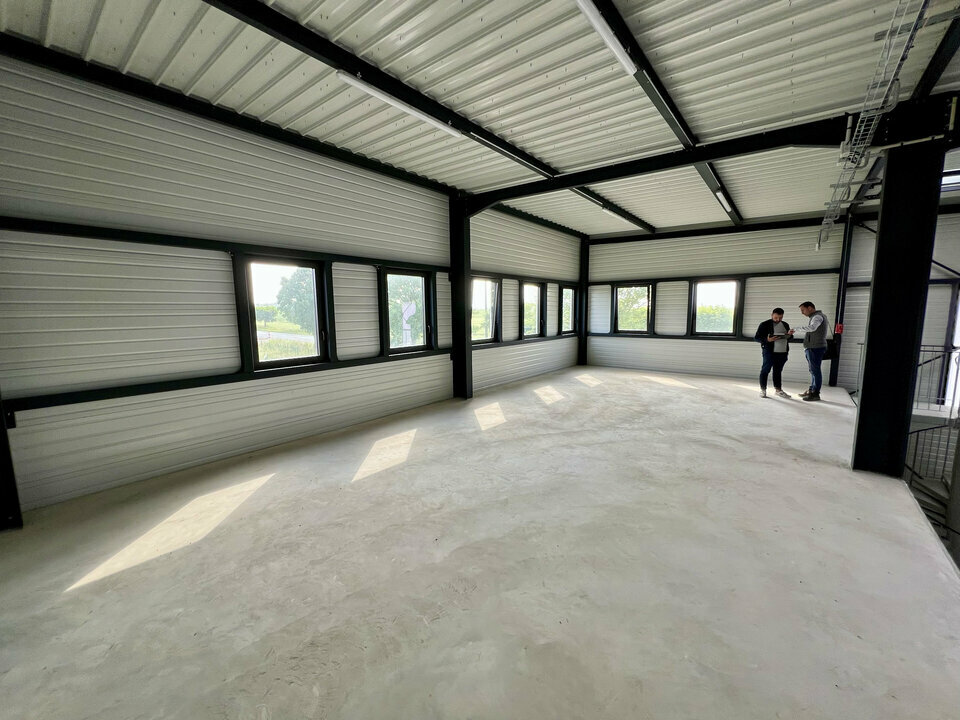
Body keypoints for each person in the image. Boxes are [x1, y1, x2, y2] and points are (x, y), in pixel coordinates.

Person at [788, 301, 830, 402]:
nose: (802, 312)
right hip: (813, 347)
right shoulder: (817, 316)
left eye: (803, 310)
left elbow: (812, 328)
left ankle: (815, 394)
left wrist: (796, 329)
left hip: (815, 348)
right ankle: (812, 390)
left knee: (815, 370)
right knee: (813, 370)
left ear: (810, 308)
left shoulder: (817, 317)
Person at [754, 308, 791, 399]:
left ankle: (778, 390)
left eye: (780, 318)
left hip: (782, 352)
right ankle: (763, 390)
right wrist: (767, 340)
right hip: (769, 352)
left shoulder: (785, 324)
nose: (778, 320)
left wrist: (790, 335)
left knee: (778, 371)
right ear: (772, 315)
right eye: (776, 317)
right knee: (765, 370)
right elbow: (756, 338)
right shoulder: (764, 324)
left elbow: (789, 338)